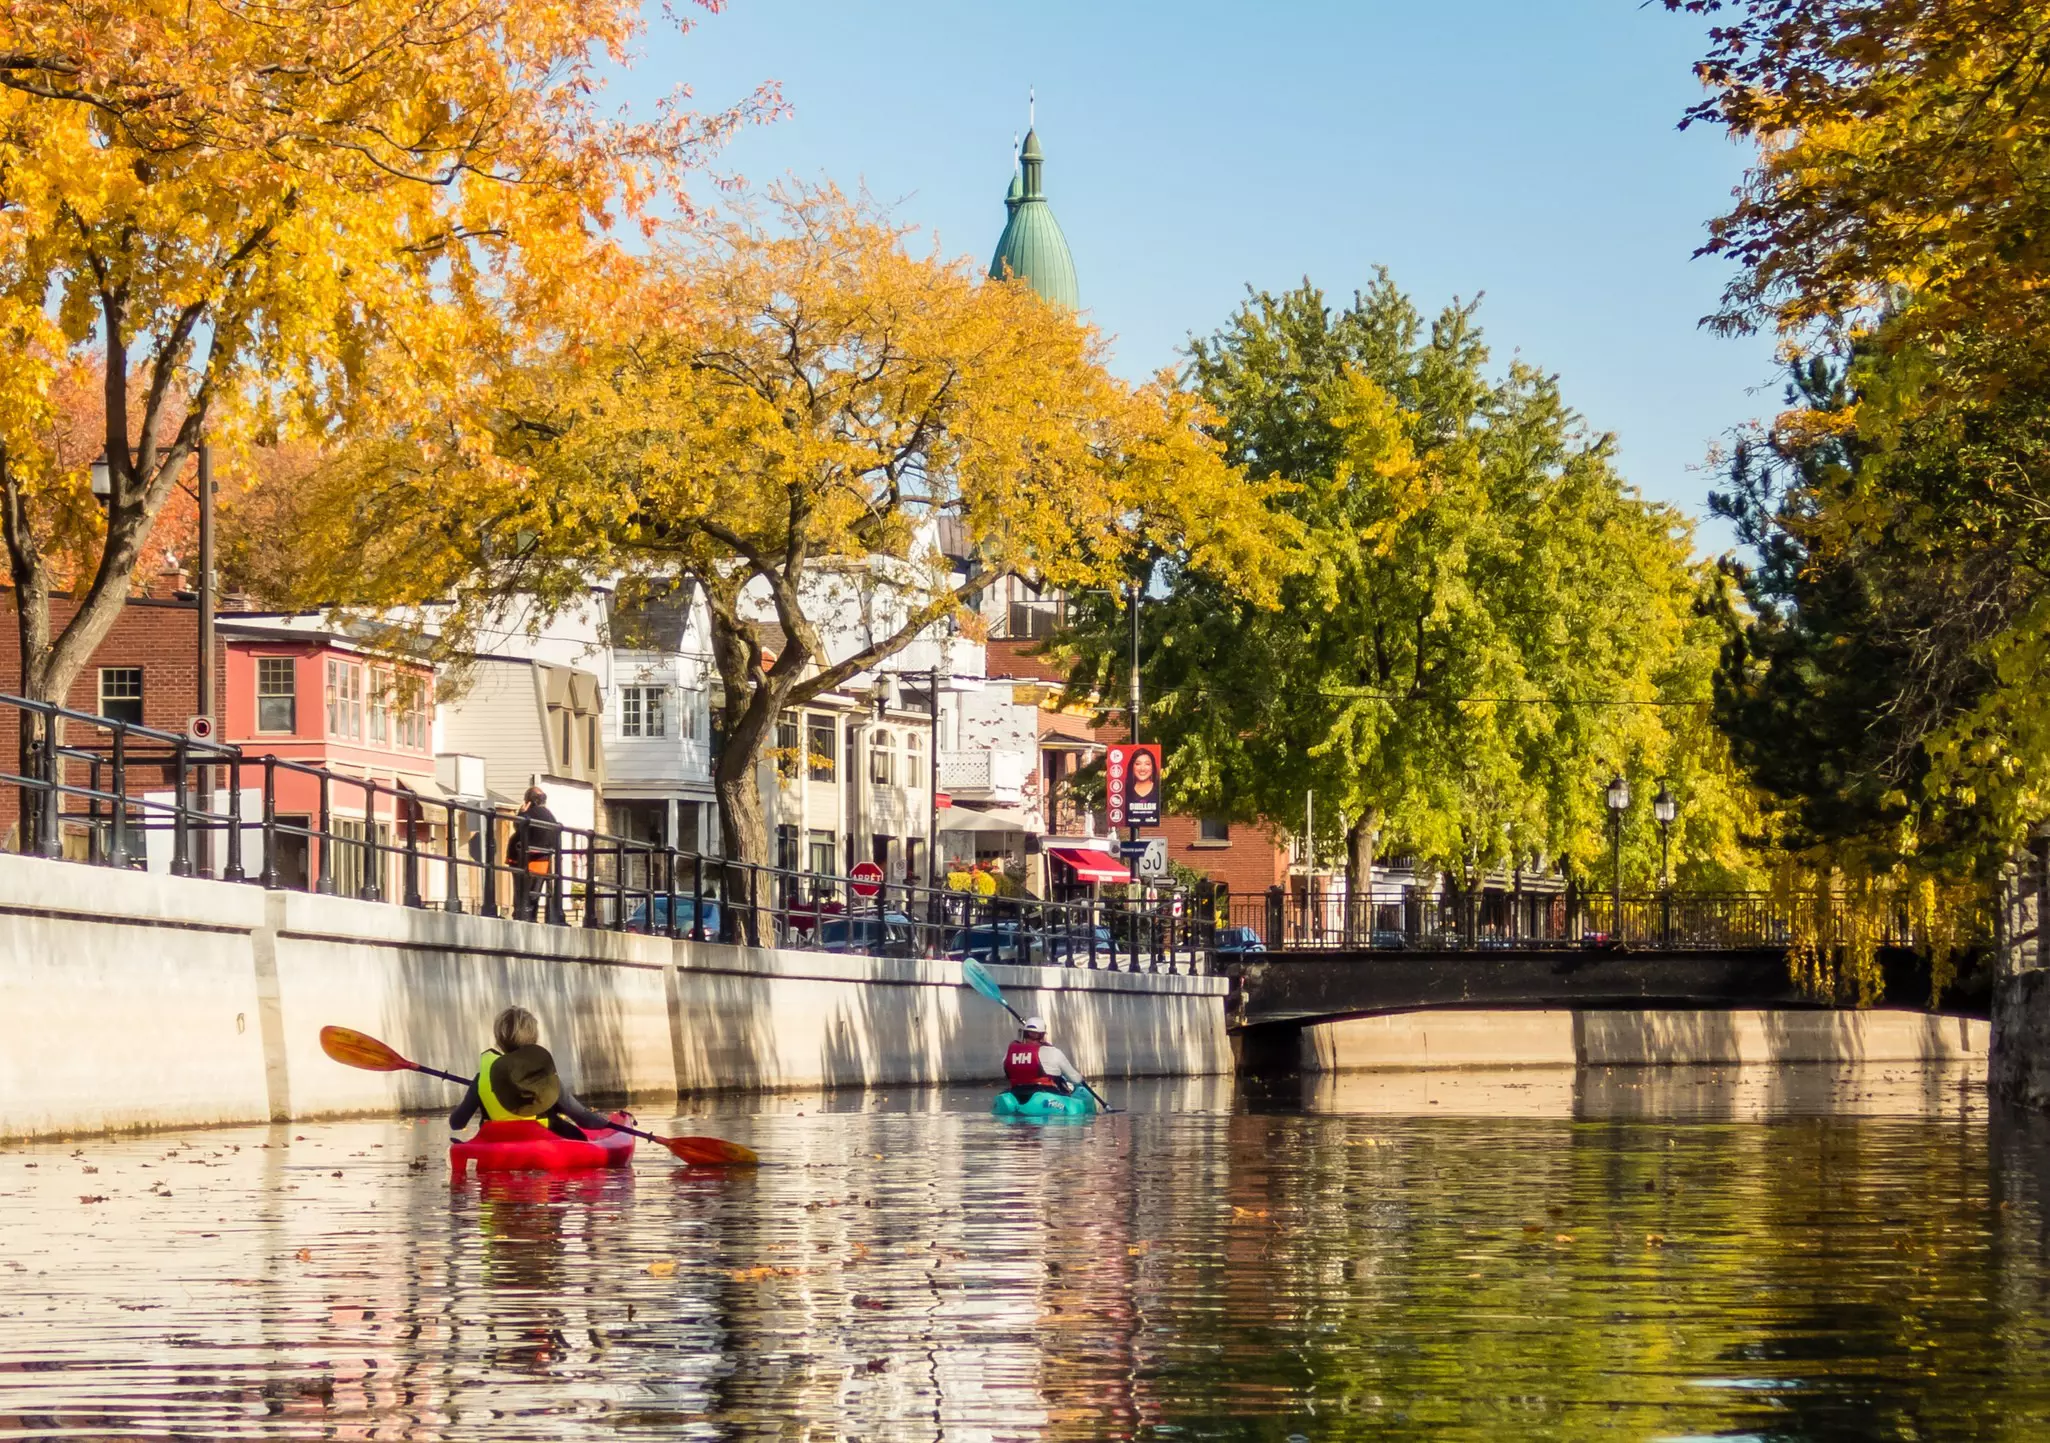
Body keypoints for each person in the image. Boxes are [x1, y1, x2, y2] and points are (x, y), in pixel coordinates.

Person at [449, 1006, 615, 1140]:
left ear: (499, 1040)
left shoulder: (481, 1080)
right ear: (534, 1039)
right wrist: (604, 1121)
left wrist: (477, 1093)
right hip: (542, 1144)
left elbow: (456, 1123)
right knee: (576, 1134)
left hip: (498, 1145)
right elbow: (582, 1118)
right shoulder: (543, 1076)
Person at [508, 786, 563, 923]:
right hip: (544, 859)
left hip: (525, 858)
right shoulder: (550, 816)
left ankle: (522, 915)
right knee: (535, 892)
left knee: (521, 890)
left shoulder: (529, 814)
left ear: (528, 800)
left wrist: (521, 813)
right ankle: (532, 916)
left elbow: (519, 827)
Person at [1003, 1015, 1088, 1104]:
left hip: (1016, 1092)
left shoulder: (1010, 1052)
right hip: (1044, 1095)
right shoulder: (1053, 1052)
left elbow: (1005, 1071)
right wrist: (1080, 1077)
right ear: (1043, 1035)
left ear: (1024, 1034)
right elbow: (1075, 1079)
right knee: (1075, 1089)